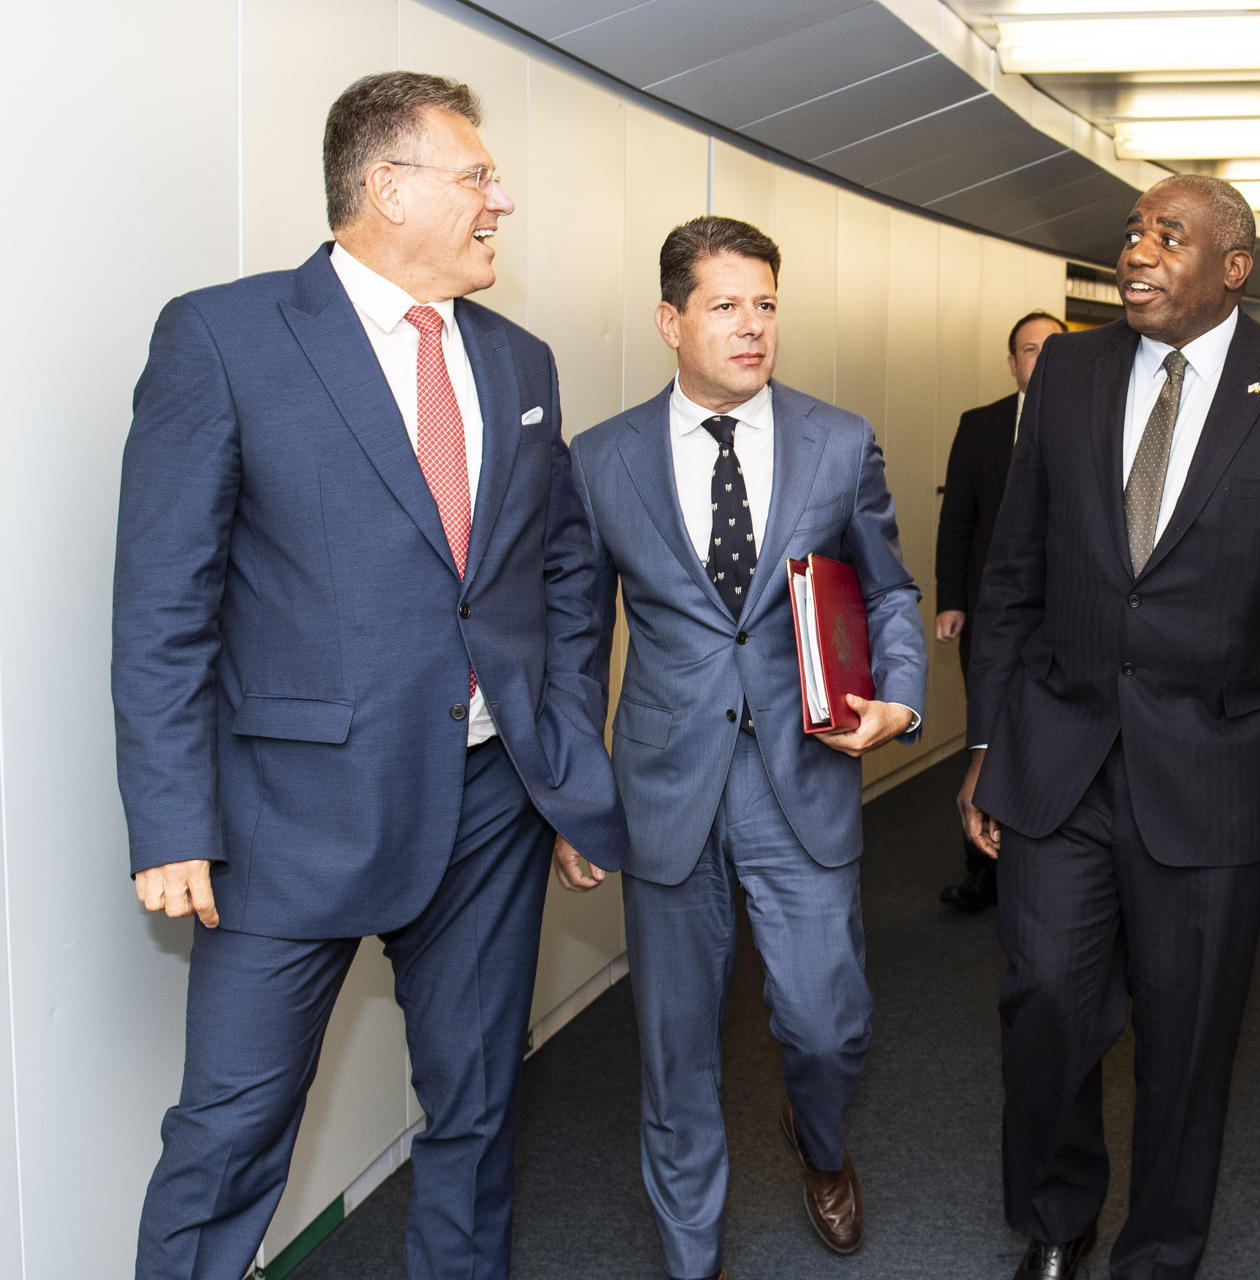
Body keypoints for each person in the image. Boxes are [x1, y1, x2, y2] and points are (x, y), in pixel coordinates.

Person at [113, 71, 622, 1279]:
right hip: (288, 817)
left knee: (478, 1106)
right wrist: (171, 818)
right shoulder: (225, 337)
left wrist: (564, 773)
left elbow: (554, 583)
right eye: (479, 177)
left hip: (492, 800)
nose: (503, 201)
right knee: (230, 1133)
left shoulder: (521, 361)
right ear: (388, 188)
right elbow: (162, 602)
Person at [958, 174, 1260, 1280]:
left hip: (1219, 774)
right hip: (1060, 756)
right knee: (1046, 998)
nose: (1137, 252)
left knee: (1189, 1038)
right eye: (1132, 232)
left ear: (1234, 267)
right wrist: (987, 750)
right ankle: (1058, 1218)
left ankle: (1159, 1253)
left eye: (1170, 235)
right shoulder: (1069, 370)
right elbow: (1012, 574)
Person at [564, 215, 927, 1280]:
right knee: (675, 1047)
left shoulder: (837, 439)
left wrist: (899, 700)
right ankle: (692, 1255)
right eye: (725, 305)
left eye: (765, 303)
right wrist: (581, 800)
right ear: (671, 320)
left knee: (826, 1023)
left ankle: (818, 1141)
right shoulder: (601, 459)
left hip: (803, 775)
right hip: (662, 789)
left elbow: (892, 589)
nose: (752, 325)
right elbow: (580, 641)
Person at [935, 308, 1067, 911]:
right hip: (991, 614)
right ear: (1013, 363)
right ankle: (981, 869)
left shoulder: (1096, 423)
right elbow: (957, 518)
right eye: (1030, 349)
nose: (1040, 359)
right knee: (986, 732)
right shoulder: (980, 425)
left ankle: (1045, 860)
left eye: (1051, 348)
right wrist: (951, 600)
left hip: (1064, 617)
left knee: (1049, 736)